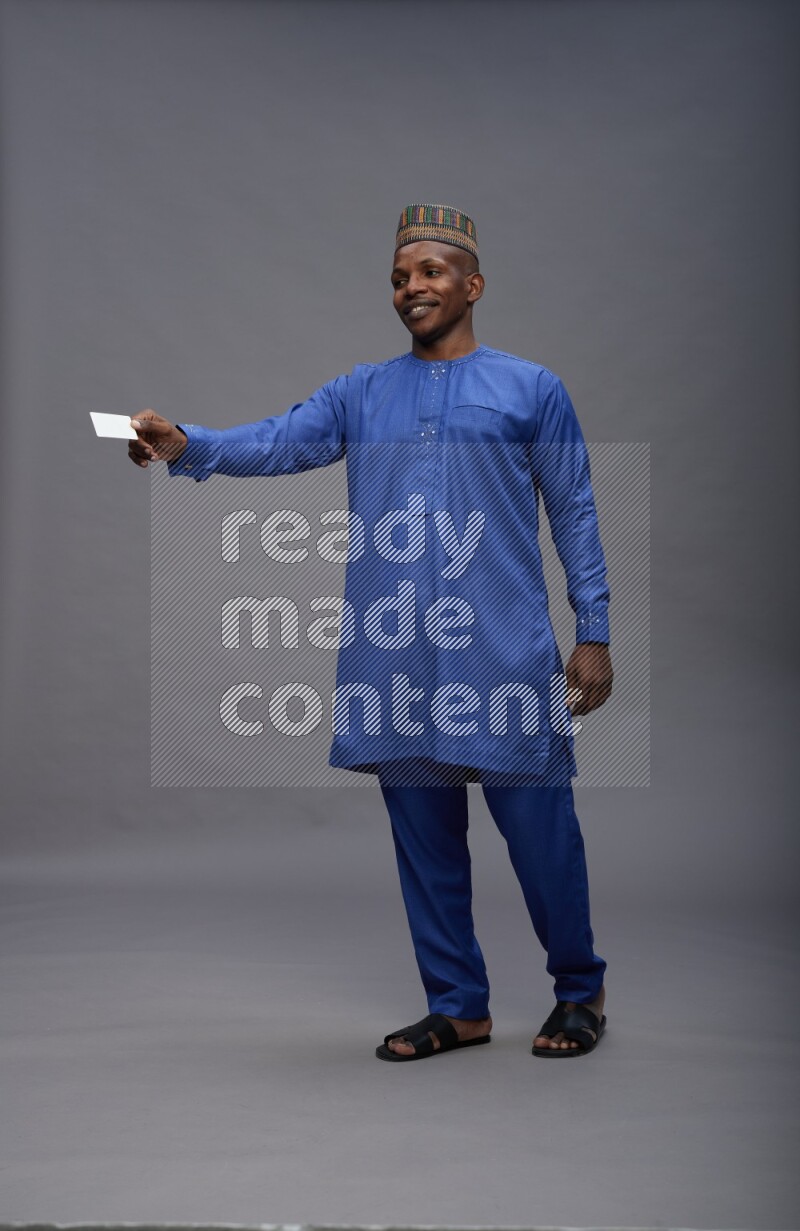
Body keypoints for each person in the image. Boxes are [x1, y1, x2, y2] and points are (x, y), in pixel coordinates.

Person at [128, 203, 614, 1061]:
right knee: (426, 842)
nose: (411, 289)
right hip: (395, 655)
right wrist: (184, 444)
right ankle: (458, 1004)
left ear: (473, 284)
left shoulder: (531, 387)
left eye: (428, 272)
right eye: (398, 277)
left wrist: (594, 631)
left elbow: (573, 508)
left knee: (542, 837)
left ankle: (579, 990)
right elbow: (277, 443)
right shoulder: (362, 390)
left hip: (502, 653)